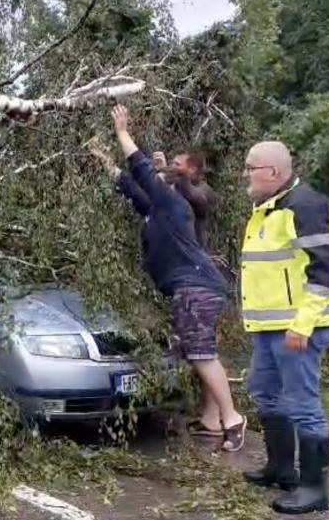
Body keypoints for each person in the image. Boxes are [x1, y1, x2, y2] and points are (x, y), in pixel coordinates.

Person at [88, 105, 246, 452]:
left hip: (196, 287)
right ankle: (210, 418)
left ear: (169, 188)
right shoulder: (155, 210)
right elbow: (130, 185)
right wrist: (103, 157)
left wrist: (122, 133)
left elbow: (141, 170)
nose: (152, 187)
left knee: (201, 352)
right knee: (202, 351)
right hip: (194, 287)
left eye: (158, 184)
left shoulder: (175, 207)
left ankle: (233, 419)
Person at [238, 141, 329, 515]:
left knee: (302, 403)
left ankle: (314, 489)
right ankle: (281, 469)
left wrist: (303, 324)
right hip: (271, 326)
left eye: (251, 168)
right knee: (265, 392)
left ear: (274, 172)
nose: (246, 174)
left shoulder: (304, 205)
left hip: (300, 327)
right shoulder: (270, 208)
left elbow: (323, 269)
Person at [152, 150, 220, 250]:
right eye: (172, 163)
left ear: (192, 169)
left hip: (192, 254)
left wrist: (166, 170)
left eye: (177, 164)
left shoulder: (204, 190)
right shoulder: (176, 183)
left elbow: (192, 195)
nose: (173, 167)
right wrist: (161, 171)